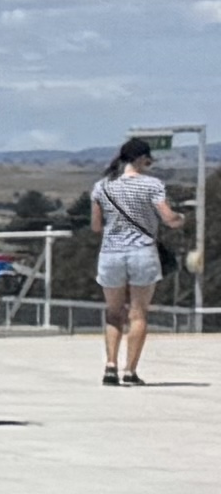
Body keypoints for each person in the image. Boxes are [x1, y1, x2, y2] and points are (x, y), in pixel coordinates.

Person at [90, 134, 181, 385]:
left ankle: (110, 365)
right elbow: (168, 218)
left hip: (111, 253)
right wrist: (180, 218)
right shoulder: (152, 185)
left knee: (113, 312)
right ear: (141, 159)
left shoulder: (102, 187)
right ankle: (130, 371)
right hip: (142, 252)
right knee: (138, 313)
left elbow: (96, 226)